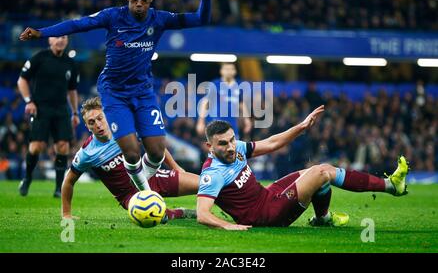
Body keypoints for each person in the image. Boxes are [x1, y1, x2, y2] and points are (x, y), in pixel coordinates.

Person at [19, 0, 215, 194]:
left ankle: (141, 188)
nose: (139, 4)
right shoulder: (113, 16)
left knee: (156, 152)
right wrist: (42, 33)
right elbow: (77, 24)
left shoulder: (160, 19)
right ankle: (145, 195)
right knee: (131, 152)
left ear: (151, 0)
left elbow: (201, 19)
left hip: (143, 92)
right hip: (114, 92)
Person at [196, 105, 409, 230]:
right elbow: (202, 214)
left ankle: (323, 218)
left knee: (320, 169)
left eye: (232, 140)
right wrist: (228, 226)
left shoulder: (237, 148)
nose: (231, 147)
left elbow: (271, 143)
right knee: (320, 173)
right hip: (265, 216)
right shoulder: (212, 173)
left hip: (267, 197)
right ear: (210, 146)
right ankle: (389, 186)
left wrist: (301, 127)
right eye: (223, 144)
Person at [62, 97, 199, 221]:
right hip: (131, 197)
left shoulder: (124, 130)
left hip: (152, 177)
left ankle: (212, 211)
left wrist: (176, 167)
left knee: (204, 184)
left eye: (100, 118)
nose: (98, 125)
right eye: (92, 122)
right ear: (87, 126)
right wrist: (66, 214)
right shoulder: (87, 153)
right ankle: (180, 213)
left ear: (107, 116)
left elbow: (156, 146)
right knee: (158, 217)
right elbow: (68, 181)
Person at [18, 36, 80, 197]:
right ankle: (27, 178)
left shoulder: (70, 63)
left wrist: (74, 112)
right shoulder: (39, 58)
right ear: (50, 40)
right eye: (57, 37)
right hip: (41, 108)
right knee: (36, 147)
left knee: (63, 147)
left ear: (67, 41)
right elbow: (22, 80)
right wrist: (28, 101)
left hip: (61, 110)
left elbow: (72, 91)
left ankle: (59, 188)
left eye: (64, 37)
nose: (60, 40)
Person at [196, 62, 252, 139]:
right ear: (221, 71)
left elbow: (241, 104)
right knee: (219, 148)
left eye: (231, 69)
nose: (229, 71)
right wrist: (200, 122)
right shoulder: (216, 84)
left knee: (233, 148)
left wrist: (247, 120)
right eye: (226, 69)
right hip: (217, 125)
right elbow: (205, 102)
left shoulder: (238, 86)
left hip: (233, 126)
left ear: (235, 71)